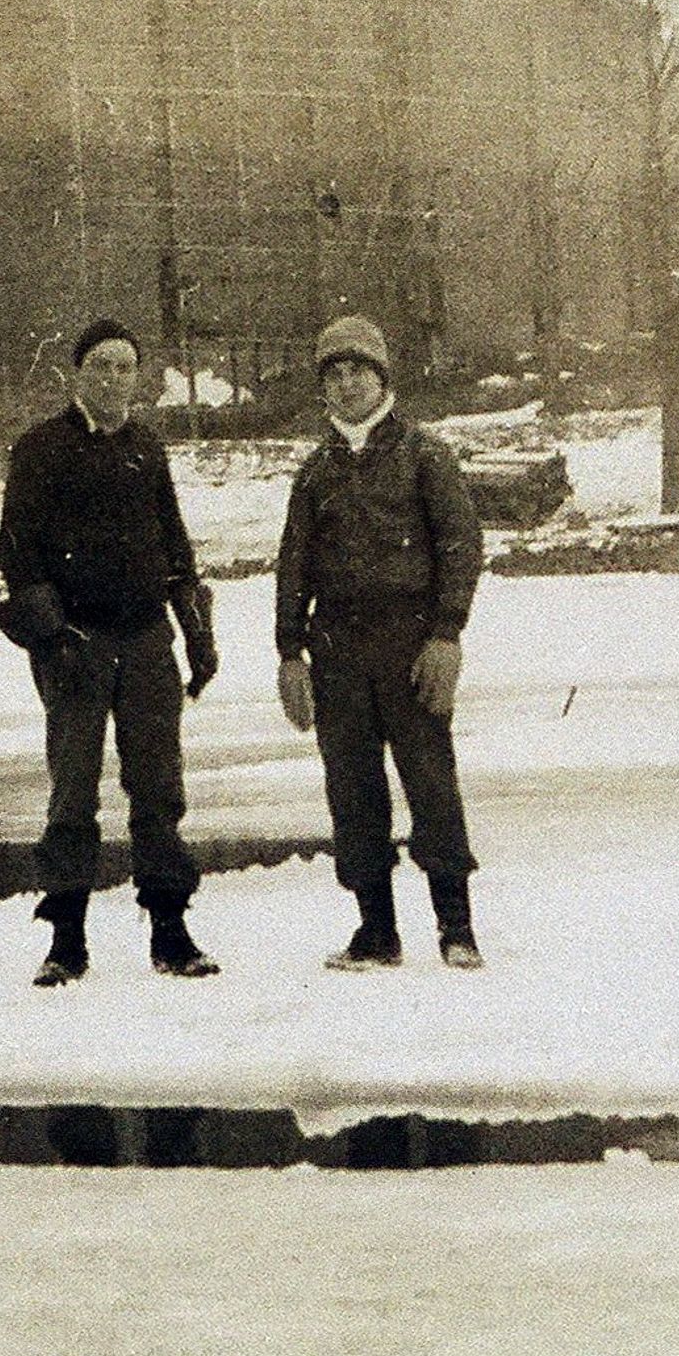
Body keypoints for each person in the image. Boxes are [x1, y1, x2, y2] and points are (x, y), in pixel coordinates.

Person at [0, 317, 221, 985]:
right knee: (73, 790)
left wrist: (197, 630)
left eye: (126, 366)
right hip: (77, 644)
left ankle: (171, 930)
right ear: (78, 374)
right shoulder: (40, 449)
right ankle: (67, 937)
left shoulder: (147, 449)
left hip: (148, 640)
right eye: (102, 366)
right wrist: (52, 633)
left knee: (158, 787)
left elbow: (176, 548)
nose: (115, 378)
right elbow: (18, 553)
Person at [274, 314, 485, 969]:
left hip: (411, 646)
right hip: (336, 651)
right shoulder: (313, 473)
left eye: (357, 370)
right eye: (333, 374)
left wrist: (446, 634)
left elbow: (461, 546)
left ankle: (456, 927)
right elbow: (293, 565)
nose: (346, 385)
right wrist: (290, 653)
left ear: (382, 376)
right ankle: (376, 930)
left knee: (430, 782)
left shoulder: (427, 454)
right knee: (353, 792)